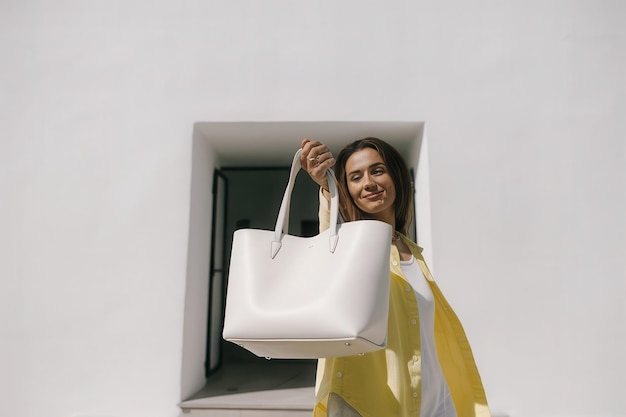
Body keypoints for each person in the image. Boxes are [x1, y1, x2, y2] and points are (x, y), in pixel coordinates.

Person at [300, 138, 491, 417]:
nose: (368, 183)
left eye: (377, 171)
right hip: (366, 403)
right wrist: (327, 188)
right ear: (347, 190)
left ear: (397, 177)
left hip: (436, 401)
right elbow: (331, 237)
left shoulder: (412, 251)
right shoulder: (351, 245)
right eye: (355, 177)